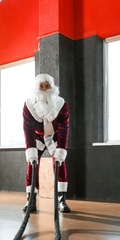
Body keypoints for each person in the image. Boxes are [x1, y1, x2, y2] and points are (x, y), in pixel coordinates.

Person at [23, 73, 71, 213]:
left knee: (60, 163)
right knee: (32, 165)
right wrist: (31, 151)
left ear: (52, 87)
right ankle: (30, 200)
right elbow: (28, 128)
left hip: (54, 136)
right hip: (37, 137)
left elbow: (64, 127)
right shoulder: (29, 105)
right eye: (41, 86)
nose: (44, 89)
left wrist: (61, 150)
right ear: (36, 88)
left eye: (47, 86)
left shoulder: (61, 104)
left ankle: (61, 200)